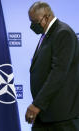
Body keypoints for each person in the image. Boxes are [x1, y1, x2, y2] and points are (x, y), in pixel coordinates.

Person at [25, 1, 79, 131]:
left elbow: (58, 73)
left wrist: (37, 104)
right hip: (46, 114)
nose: (33, 26)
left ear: (47, 16)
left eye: (35, 22)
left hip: (61, 118)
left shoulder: (63, 33)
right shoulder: (48, 34)